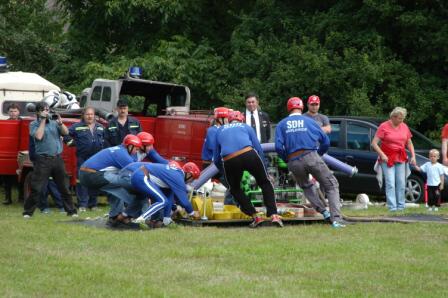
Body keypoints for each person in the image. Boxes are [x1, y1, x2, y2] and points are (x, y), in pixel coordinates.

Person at [275, 97, 345, 228]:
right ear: (302, 107)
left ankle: (324, 212)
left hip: (293, 161)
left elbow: (278, 147)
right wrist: (318, 154)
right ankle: (336, 219)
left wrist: (287, 159)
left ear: (288, 108)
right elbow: (326, 142)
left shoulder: (281, 124)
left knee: (306, 186)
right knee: (331, 184)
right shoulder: (309, 121)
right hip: (311, 155)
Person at [213, 107, 283, 228]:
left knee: (234, 189)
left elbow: (216, 157)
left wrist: (223, 171)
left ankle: (255, 216)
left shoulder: (219, 130)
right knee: (265, 183)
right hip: (249, 154)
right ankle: (274, 215)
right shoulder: (246, 127)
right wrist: (263, 168)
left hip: (230, 159)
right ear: (242, 120)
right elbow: (258, 148)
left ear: (228, 121)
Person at [22, 102, 77, 218]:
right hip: (43, 160)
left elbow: (66, 132)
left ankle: (71, 211)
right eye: (43, 110)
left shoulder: (54, 122)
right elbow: (38, 136)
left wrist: (61, 123)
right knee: (37, 187)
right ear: (37, 112)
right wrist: (42, 120)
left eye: (47, 109)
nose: (46, 112)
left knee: (64, 187)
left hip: (57, 158)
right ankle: (27, 212)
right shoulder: (33, 124)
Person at [79, 134, 141, 228]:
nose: (136, 151)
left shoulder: (118, 149)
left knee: (115, 188)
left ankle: (115, 216)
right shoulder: (122, 154)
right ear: (130, 146)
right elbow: (137, 172)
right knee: (124, 184)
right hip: (91, 175)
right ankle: (119, 217)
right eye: (136, 149)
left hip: (85, 174)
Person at [122, 162, 200, 227]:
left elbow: (169, 196)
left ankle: (125, 216)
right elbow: (184, 202)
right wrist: (192, 213)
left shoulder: (176, 174)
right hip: (141, 176)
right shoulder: (178, 177)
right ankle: (140, 220)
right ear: (189, 174)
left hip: (141, 175)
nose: (190, 181)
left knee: (162, 200)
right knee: (162, 201)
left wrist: (167, 218)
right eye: (192, 178)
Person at [371, 107, 416, 212]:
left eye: (403, 118)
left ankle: (401, 206)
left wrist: (413, 156)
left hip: (400, 157)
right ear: (393, 117)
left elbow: (409, 143)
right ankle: (392, 207)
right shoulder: (383, 126)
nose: (402, 120)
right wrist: (382, 155)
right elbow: (374, 143)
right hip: (387, 158)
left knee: (401, 182)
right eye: (400, 118)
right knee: (390, 182)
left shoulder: (404, 126)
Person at [67, 107, 105, 211]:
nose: (89, 116)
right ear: (83, 115)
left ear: (94, 116)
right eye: (87, 114)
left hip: (97, 158)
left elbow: (106, 140)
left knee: (94, 181)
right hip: (83, 158)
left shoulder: (101, 127)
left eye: (91, 114)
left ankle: (93, 205)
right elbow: (65, 135)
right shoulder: (76, 126)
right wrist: (72, 143)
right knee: (82, 181)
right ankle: (82, 205)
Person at [2, 103, 21, 205]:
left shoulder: (23, 123)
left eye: (15, 111)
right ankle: (8, 198)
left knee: (21, 177)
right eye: (11, 111)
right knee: (7, 177)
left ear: (19, 112)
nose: (13, 113)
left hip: (21, 153)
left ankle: (21, 198)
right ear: (8, 112)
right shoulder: (5, 123)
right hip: (9, 152)